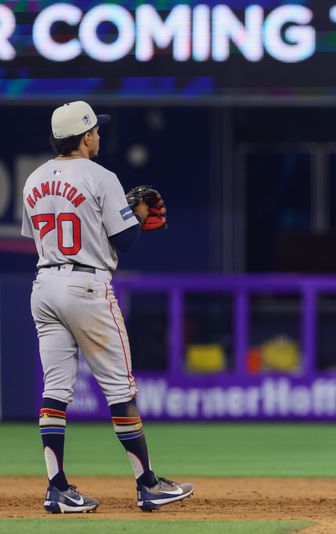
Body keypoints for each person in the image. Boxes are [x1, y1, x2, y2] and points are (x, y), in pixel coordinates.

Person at [21, 101, 193, 513]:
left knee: (55, 390)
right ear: (84, 137)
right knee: (120, 388)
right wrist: (139, 211)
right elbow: (127, 239)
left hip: (44, 283)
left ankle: (56, 488)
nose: (99, 135)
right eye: (95, 131)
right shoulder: (101, 176)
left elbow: (42, 236)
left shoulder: (33, 179)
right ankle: (147, 485)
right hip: (86, 285)